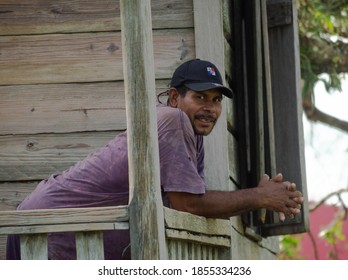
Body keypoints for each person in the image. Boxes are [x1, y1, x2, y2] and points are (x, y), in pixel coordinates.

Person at [6, 59, 304, 260]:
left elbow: (185, 204)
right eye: (200, 97)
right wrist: (260, 196)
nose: (210, 109)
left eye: (216, 100)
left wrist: (260, 197)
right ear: (174, 98)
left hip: (59, 228)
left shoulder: (189, 133)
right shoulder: (172, 120)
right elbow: (190, 204)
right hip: (49, 229)